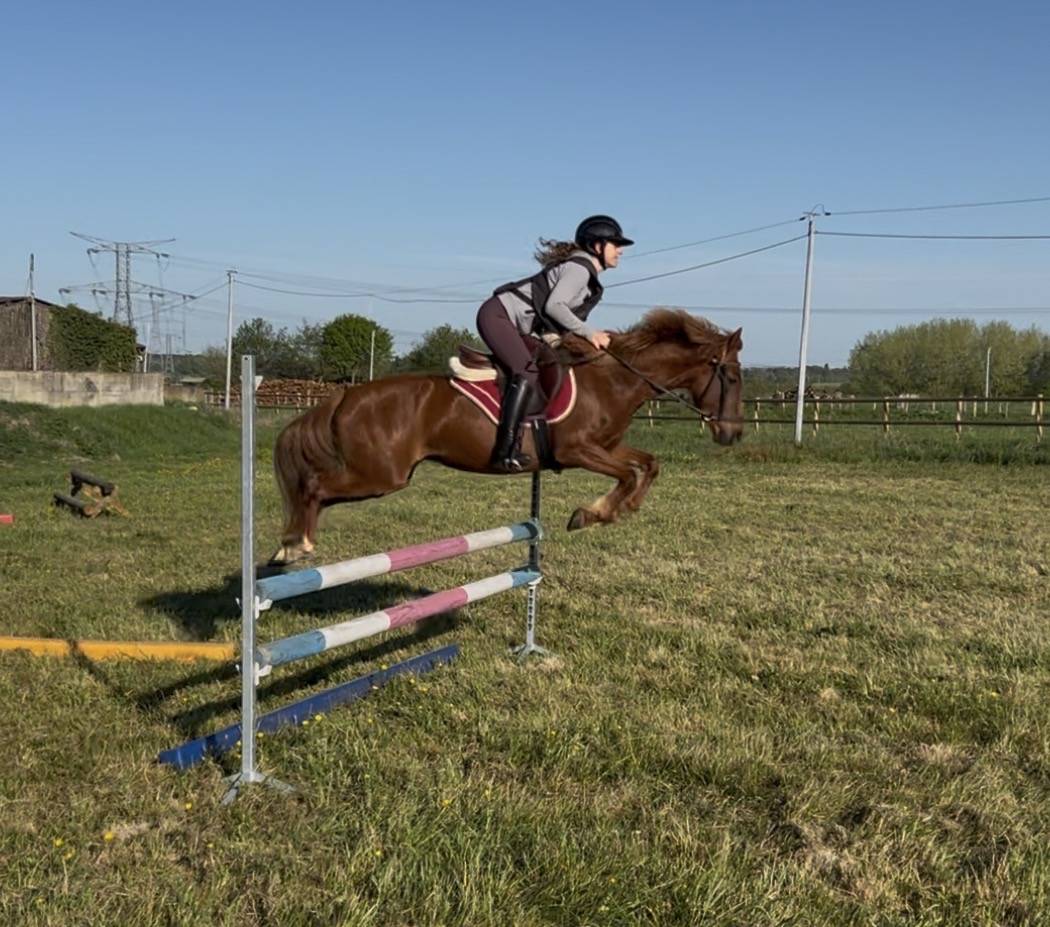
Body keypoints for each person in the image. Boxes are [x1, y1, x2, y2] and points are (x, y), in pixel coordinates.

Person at [476, 214, 634, 472]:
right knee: (526, 371)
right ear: (597, 246)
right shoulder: (579, 270)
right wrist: (590, 333)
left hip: (516, 325)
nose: (620, 251)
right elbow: (555, 306)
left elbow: (554, 321)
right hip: (498, 315)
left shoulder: (588, 280)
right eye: (615, 244)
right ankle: (504, 450)